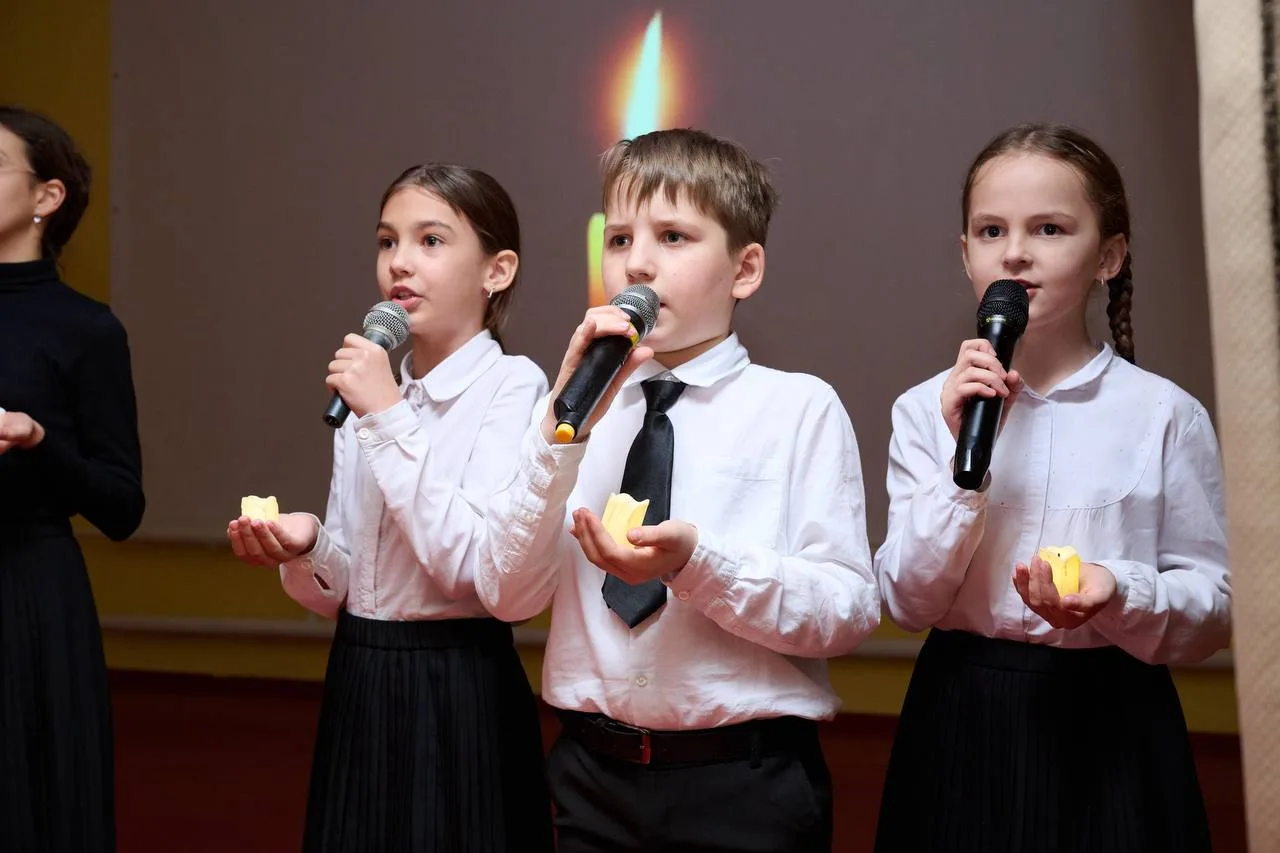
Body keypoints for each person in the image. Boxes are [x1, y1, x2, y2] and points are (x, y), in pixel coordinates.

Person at [477, 128, 881, 852]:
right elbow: (507, 594)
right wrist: (559, 433)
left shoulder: (799, 408)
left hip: (745, 782)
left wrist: (698, 563)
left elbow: (846, 612)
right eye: (619, 237)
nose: (637, 261)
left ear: (744, 269)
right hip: (591, 777)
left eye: (672, 236)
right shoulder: (573, 413)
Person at [874, 122, 1231, 853]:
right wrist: (963, 464)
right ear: (966, 253)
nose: (1015, 252)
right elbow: (908, 603)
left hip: (1115, 721)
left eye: (1049, 228)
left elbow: (1214, 612)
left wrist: (1120, 590)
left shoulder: (1165, 413)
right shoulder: (923, 409)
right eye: (991, 230)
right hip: (962, 712)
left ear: (1109, 256)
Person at [227, 163, 553, 852]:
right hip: (360, 672)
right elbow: (348, 588)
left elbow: (468, 568)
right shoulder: (373, 393)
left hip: (458, 682)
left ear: (496, 271)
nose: (399, 262)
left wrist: (386, 416)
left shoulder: (512, 386)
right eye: (387, 241)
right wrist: (308, 545)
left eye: (430, 241)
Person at [0, 105, 146, 852]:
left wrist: (36, 441)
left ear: (47, 196)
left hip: (28, 597)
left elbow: (122, 506)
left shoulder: (86, 328)